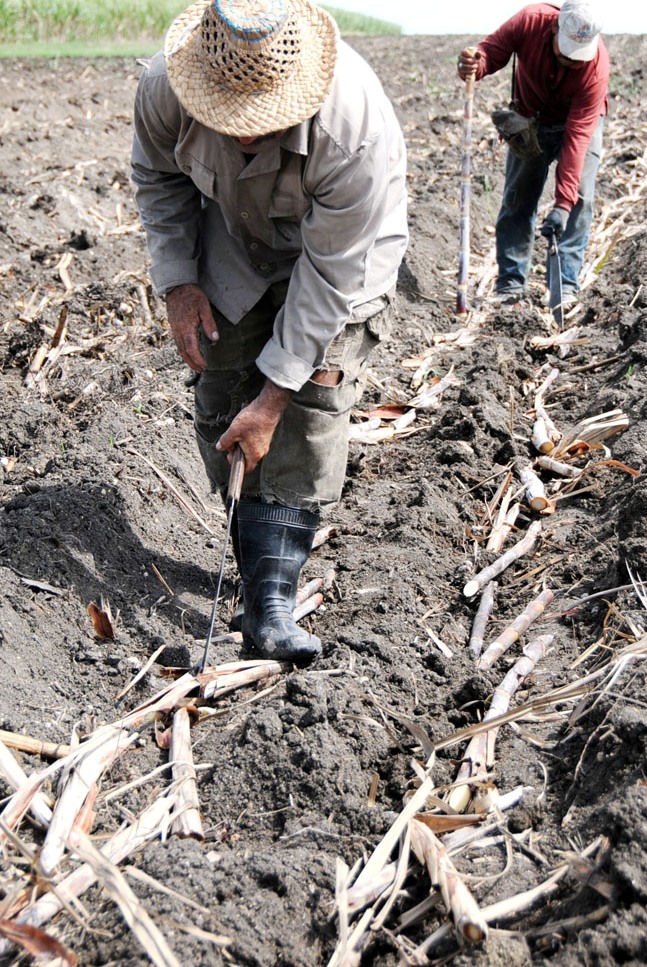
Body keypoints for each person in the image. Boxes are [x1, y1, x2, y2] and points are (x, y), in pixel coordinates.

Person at [131, 0, 408, 666]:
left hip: (339, 257)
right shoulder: (165, 89)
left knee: (312, 390)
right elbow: (159, 179)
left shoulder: (353, 131)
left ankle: (271, 605)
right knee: (223, 387)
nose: (248, 136)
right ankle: (253, 562)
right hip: (232, 230)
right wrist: (179, 283)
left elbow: (326, 285)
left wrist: (277, 395)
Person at [457, 0, 609, 305]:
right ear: (554, 28)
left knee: (579, 200)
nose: (571, 62)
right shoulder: (529, 20)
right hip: (530, 119)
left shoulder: (595, 68)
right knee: (518, 199)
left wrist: (562, 205)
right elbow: (491, 52)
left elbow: (578, 137)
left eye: (577, 57)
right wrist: (475, 64)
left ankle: (564, 286)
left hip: (578, 124)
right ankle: (511, 283)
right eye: (565, 53)